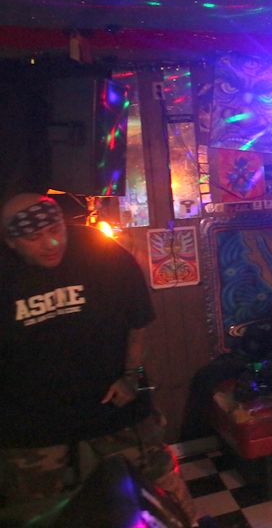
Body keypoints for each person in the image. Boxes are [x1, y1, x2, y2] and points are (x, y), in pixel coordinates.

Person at [0, 193, 197, 525]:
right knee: (36, 513)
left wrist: (131, 376)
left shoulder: (101, 252)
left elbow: (138, 322)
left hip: (114, 404)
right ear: (11, 241)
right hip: (30, 421)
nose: (51, 243)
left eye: (56, 229)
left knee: (164, 495)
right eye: (34, 238)